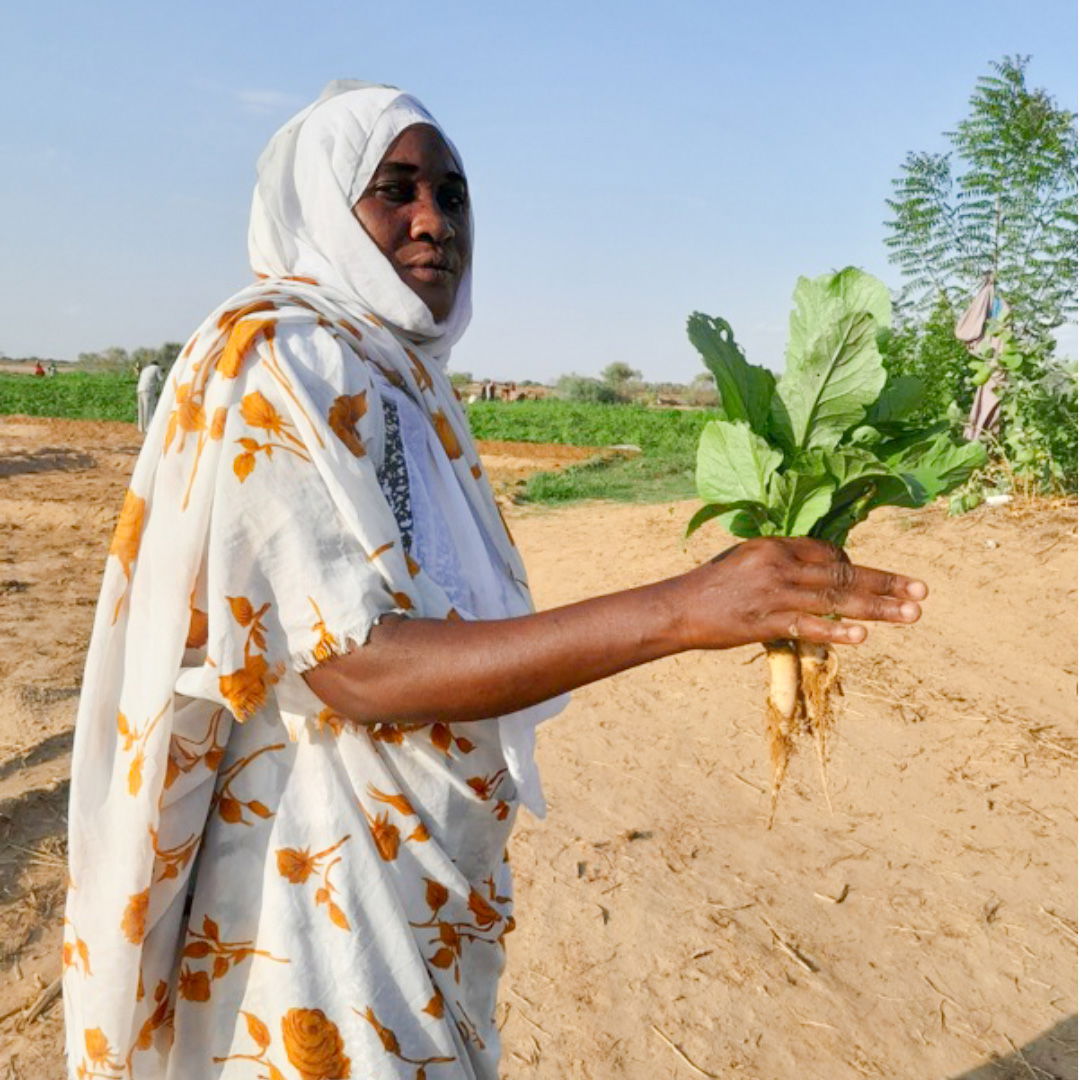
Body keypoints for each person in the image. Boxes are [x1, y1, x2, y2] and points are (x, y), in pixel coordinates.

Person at [64, 81, 927, 1080]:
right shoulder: (282, 358)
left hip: (420, 882)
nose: (434, 219)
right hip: (318, 886)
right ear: (319, 212)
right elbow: (354, 664)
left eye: (454, 194)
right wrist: (684, 609)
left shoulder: (406, 378)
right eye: (394, 191)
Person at [136, 359, 164, 433]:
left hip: (140, 389)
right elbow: (161, 379)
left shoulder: (145, 369)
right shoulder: (157, 368)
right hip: (148, 390)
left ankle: (141, 428)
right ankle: (148, 428)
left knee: (141, 409)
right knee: (148, 409)